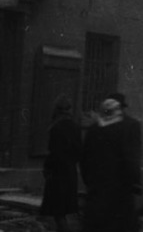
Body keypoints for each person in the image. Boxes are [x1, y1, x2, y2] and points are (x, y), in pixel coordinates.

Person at [80, 97, 141, 232]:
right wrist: (135, 184)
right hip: (120, 193)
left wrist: (91, 183)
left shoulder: (93, 130)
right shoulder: (127, 128)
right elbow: (131, 161)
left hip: (97, 193)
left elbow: (84, 162)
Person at [40, 97, 81, 232]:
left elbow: (54, 152)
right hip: (70, 172)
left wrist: (47, 168)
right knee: (61, 212)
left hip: (57, 174)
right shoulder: (75, 127)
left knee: (58, 213)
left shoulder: (55, 127)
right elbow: (78, 151)